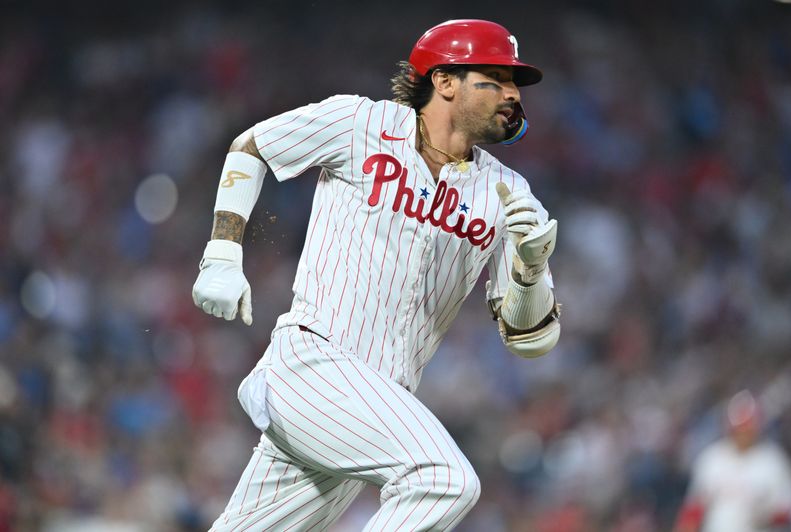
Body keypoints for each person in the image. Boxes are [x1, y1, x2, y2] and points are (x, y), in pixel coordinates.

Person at [192, 19, 561, 531]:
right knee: (444, 479)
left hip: (375, 406)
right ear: (445, 81)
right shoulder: (360, 123)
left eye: (514, 82)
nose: (512, 93)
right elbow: (253, 146)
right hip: (312, 365)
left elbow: (529, 340)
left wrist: (530, 271)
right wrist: (222, 255)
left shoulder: (509, 194)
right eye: (495, 78)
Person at [674, 390, 791, 532]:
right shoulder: (713, 458)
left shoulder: (774, 462)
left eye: (748, 426)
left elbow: (789, 513)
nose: (744, 433)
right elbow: (693, 511)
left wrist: (767, 515)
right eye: (740, 427)